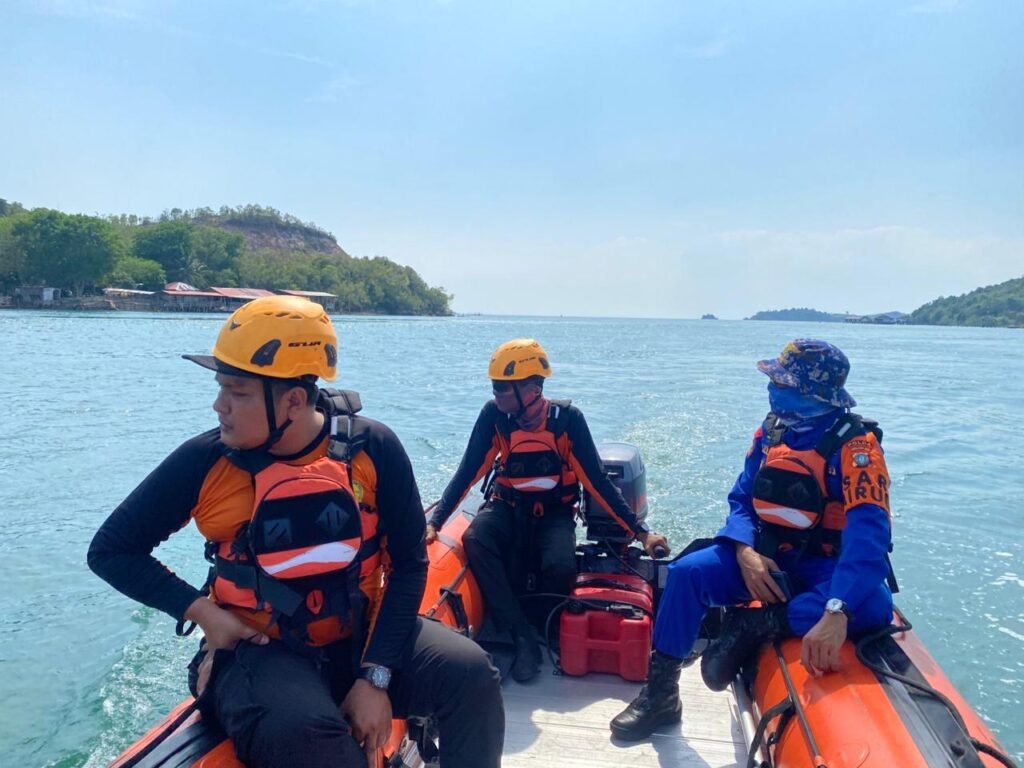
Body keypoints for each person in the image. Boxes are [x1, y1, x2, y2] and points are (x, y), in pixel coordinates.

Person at [88, 296, 504, 768]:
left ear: (293, 401)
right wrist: (204, 613)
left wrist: (376, 677)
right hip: (259, 652)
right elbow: (111, 551)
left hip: (359, 637)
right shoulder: (204, 461)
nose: (219, 405)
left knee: (471, 674)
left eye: (238, 393)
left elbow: (409, 565)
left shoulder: (374, 449)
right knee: (312, 741)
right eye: (222, 388)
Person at [611, 339, 894, 741]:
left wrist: (837, 610)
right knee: (687, 573)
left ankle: (759, 623)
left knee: (875, 606)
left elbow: (869, 537)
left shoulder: (857, 450)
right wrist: (745, 552)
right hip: (765, 558)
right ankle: (660, 695)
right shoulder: (771, 432)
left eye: (783, 383)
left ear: (812, 391)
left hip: (826, 568)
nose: (772, 389)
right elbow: (742, 499)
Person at [426, 338, 670, 683]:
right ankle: (521, 634)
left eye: (502, 387)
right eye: (494, 386)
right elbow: (468, 471)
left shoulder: (567, 421)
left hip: (555, 512)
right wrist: (436, 521)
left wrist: (641, 533)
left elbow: (597, 482)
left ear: (532, 389)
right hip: (507, 505)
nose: (496, 393)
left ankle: (545, 622)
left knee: (560, 563)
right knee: (477, 538)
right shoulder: (494, 417)